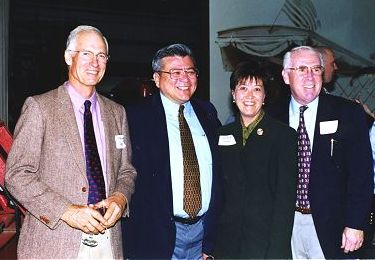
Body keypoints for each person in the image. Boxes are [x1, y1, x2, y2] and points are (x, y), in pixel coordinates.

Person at [5, 25, 137, 259]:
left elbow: (126, 171)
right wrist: (67, 211)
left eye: (101, 56)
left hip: (108, 242)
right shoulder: (40, 108)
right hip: (54, 243)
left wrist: (120, 198)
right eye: (86, 53)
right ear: (69, 57)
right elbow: (17, 174)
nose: (94, 63)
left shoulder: (117, 113)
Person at [268, 45, 373, 259]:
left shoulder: (348, 113)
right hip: (285, 225)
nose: (310, 76)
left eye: (316, 69)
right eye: (302, 69)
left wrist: (355, 223)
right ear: (286, 76)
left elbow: (362, 174)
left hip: (333, 227)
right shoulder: (272, 116)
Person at [122, 43, 223, 259]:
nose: (184, 79)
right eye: (175, 72)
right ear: (157, 79)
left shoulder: (207, 113)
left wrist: (210, 241)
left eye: (190, 71)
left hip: (201, 233)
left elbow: (220, 175)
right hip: (156, 236)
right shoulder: (135, 117)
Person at [215, 62, 298, 258]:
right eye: (243, 88)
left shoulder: (283, 136)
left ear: (264, 96)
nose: (250, 96)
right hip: (227, 243)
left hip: (266, 243)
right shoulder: (220, 135)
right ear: (233, 95)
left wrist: (276, 253)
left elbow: (284, 202)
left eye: (257, 89)